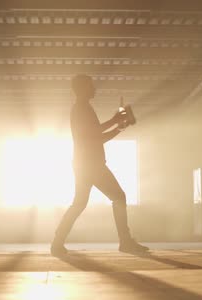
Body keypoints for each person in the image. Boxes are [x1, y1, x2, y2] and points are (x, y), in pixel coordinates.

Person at [50, 74, 149, 256]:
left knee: (79, 204)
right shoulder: (81, 109)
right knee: (119, 197)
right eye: (91, 86)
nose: (94, 88)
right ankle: (125, 242)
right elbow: (95, 134)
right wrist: (116, 120)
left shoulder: (83, 108)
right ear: (83, 89)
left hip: (83, 163)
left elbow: (97, 138)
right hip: (91, 164)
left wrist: (119, 126)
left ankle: (57, 243)